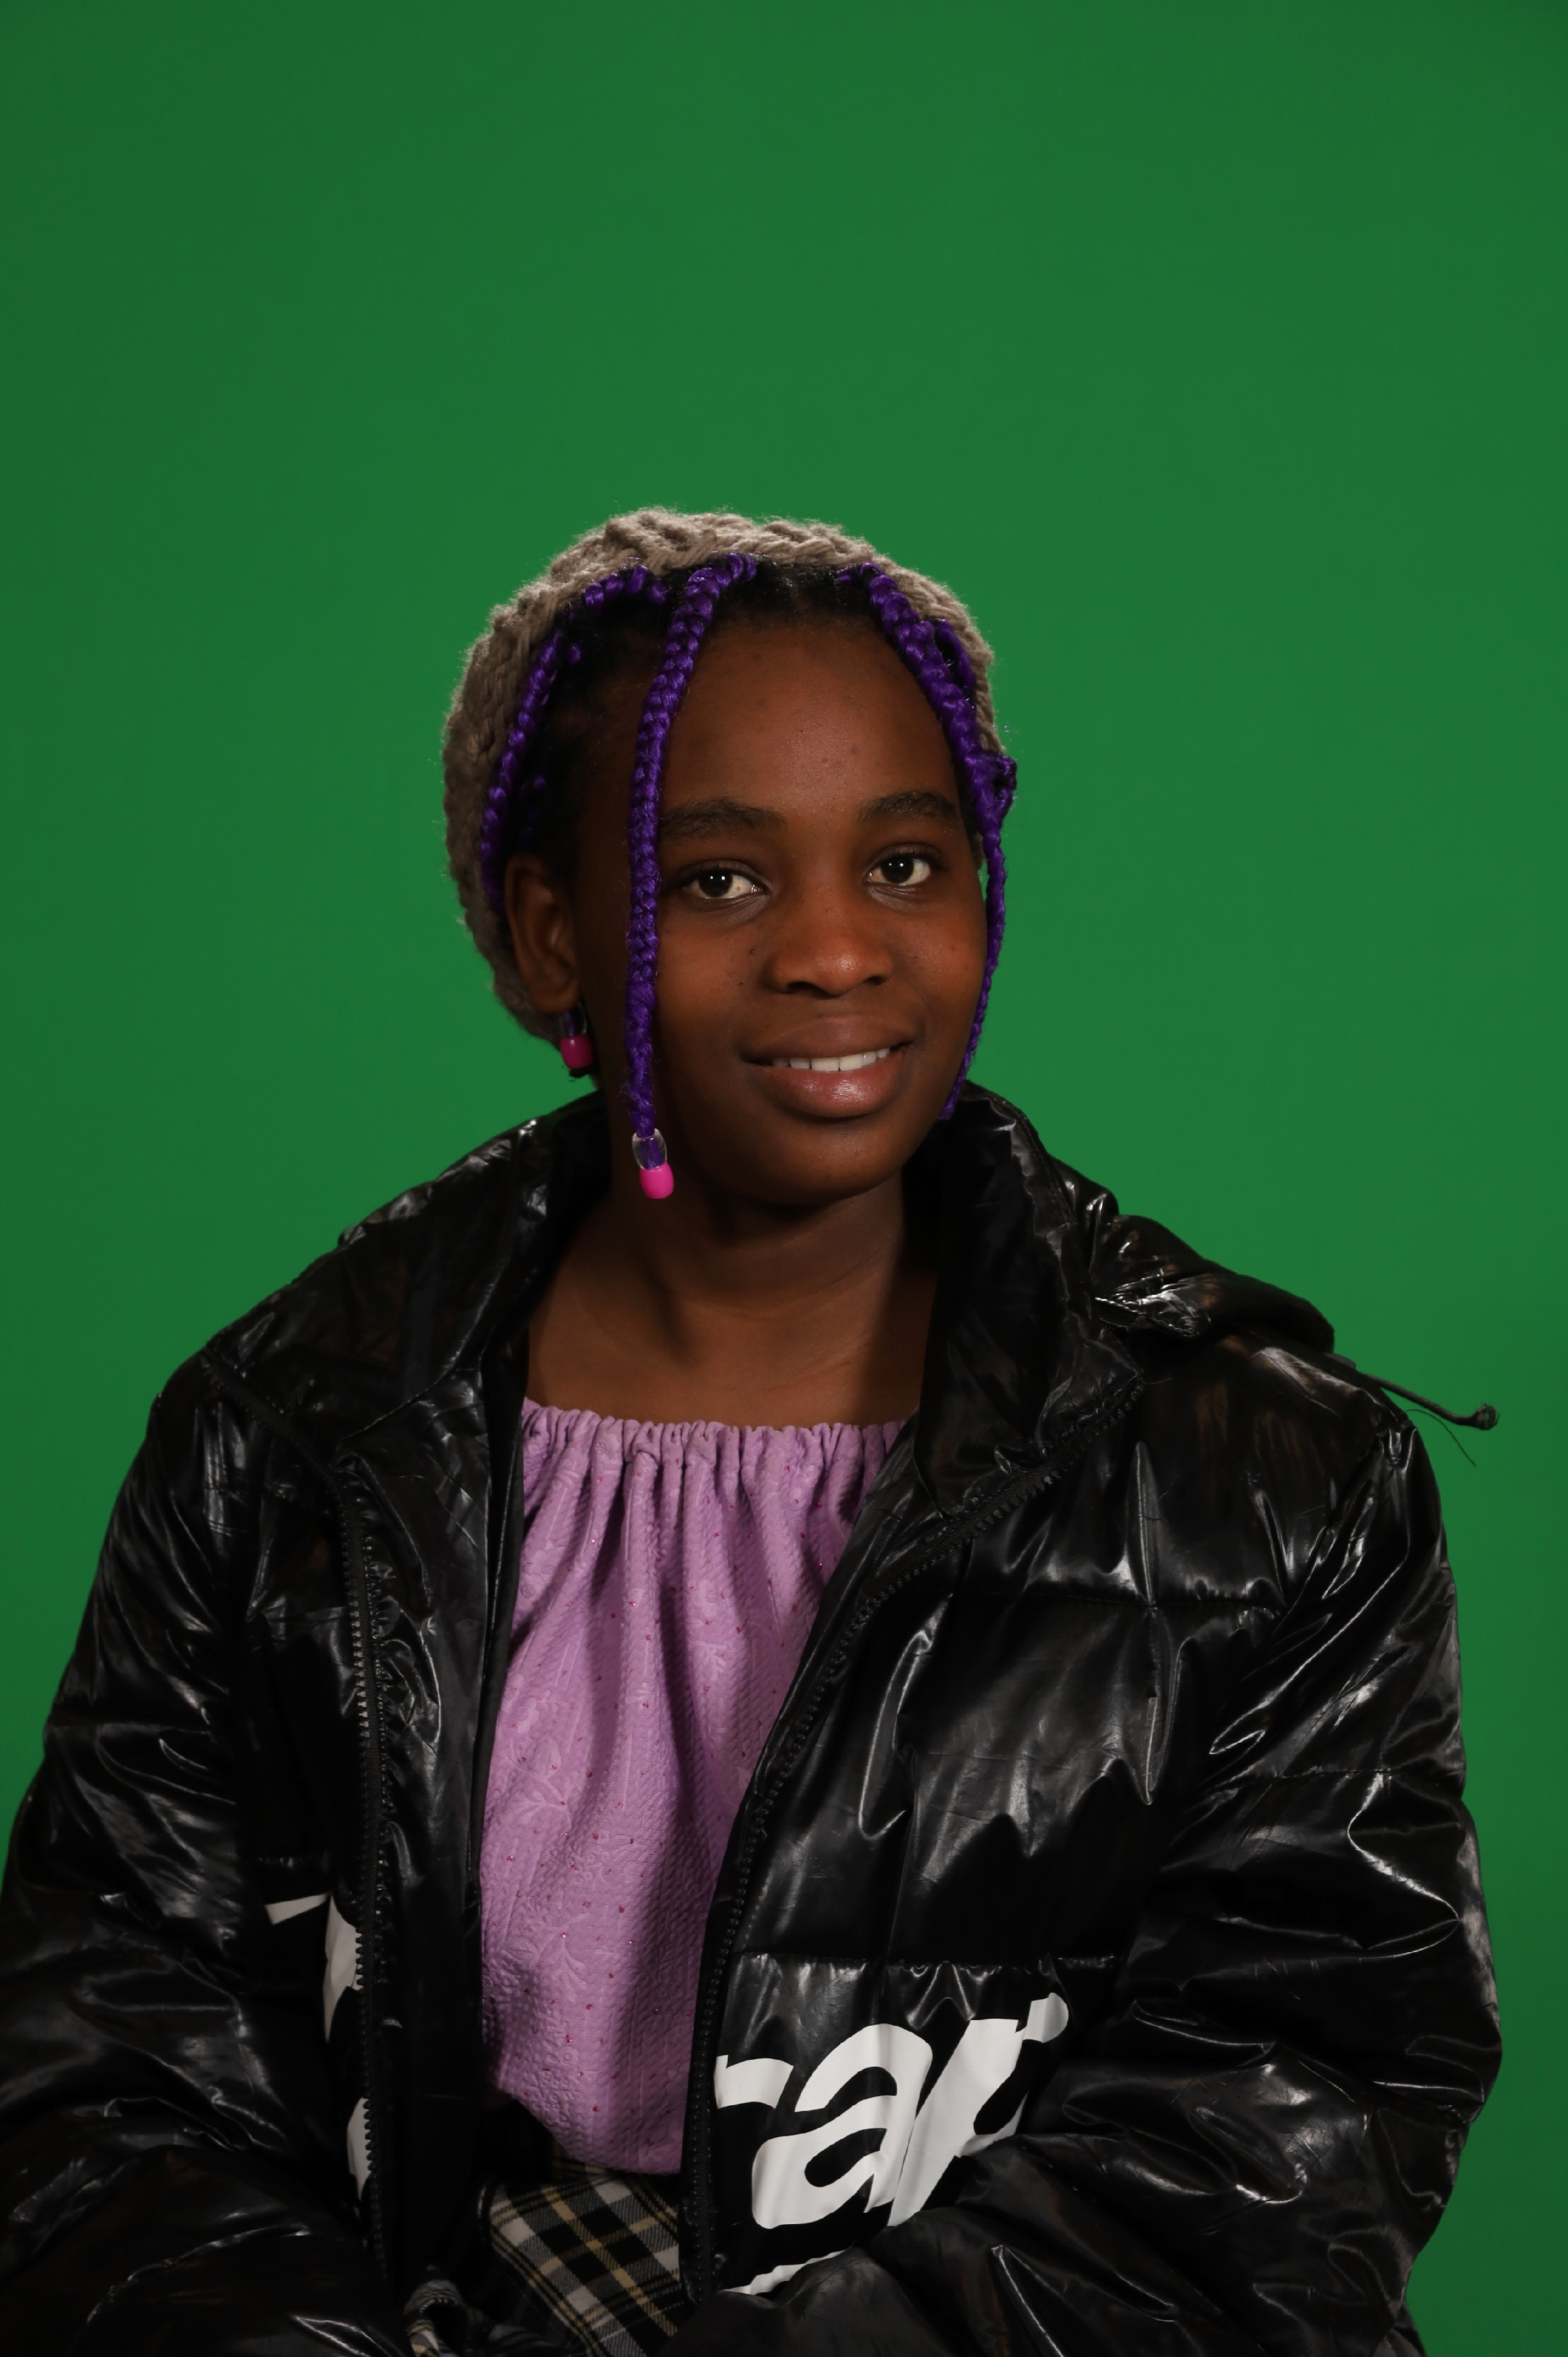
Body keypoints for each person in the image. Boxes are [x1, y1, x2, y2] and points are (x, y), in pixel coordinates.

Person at [0, 510, 1498, 2357]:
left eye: (905, 862)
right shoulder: (285, 1446)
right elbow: (111, 2068)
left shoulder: (1254, 1477)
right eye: (717, 880)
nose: (834, 950)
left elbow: (1297, 2104)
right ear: (551, 936)